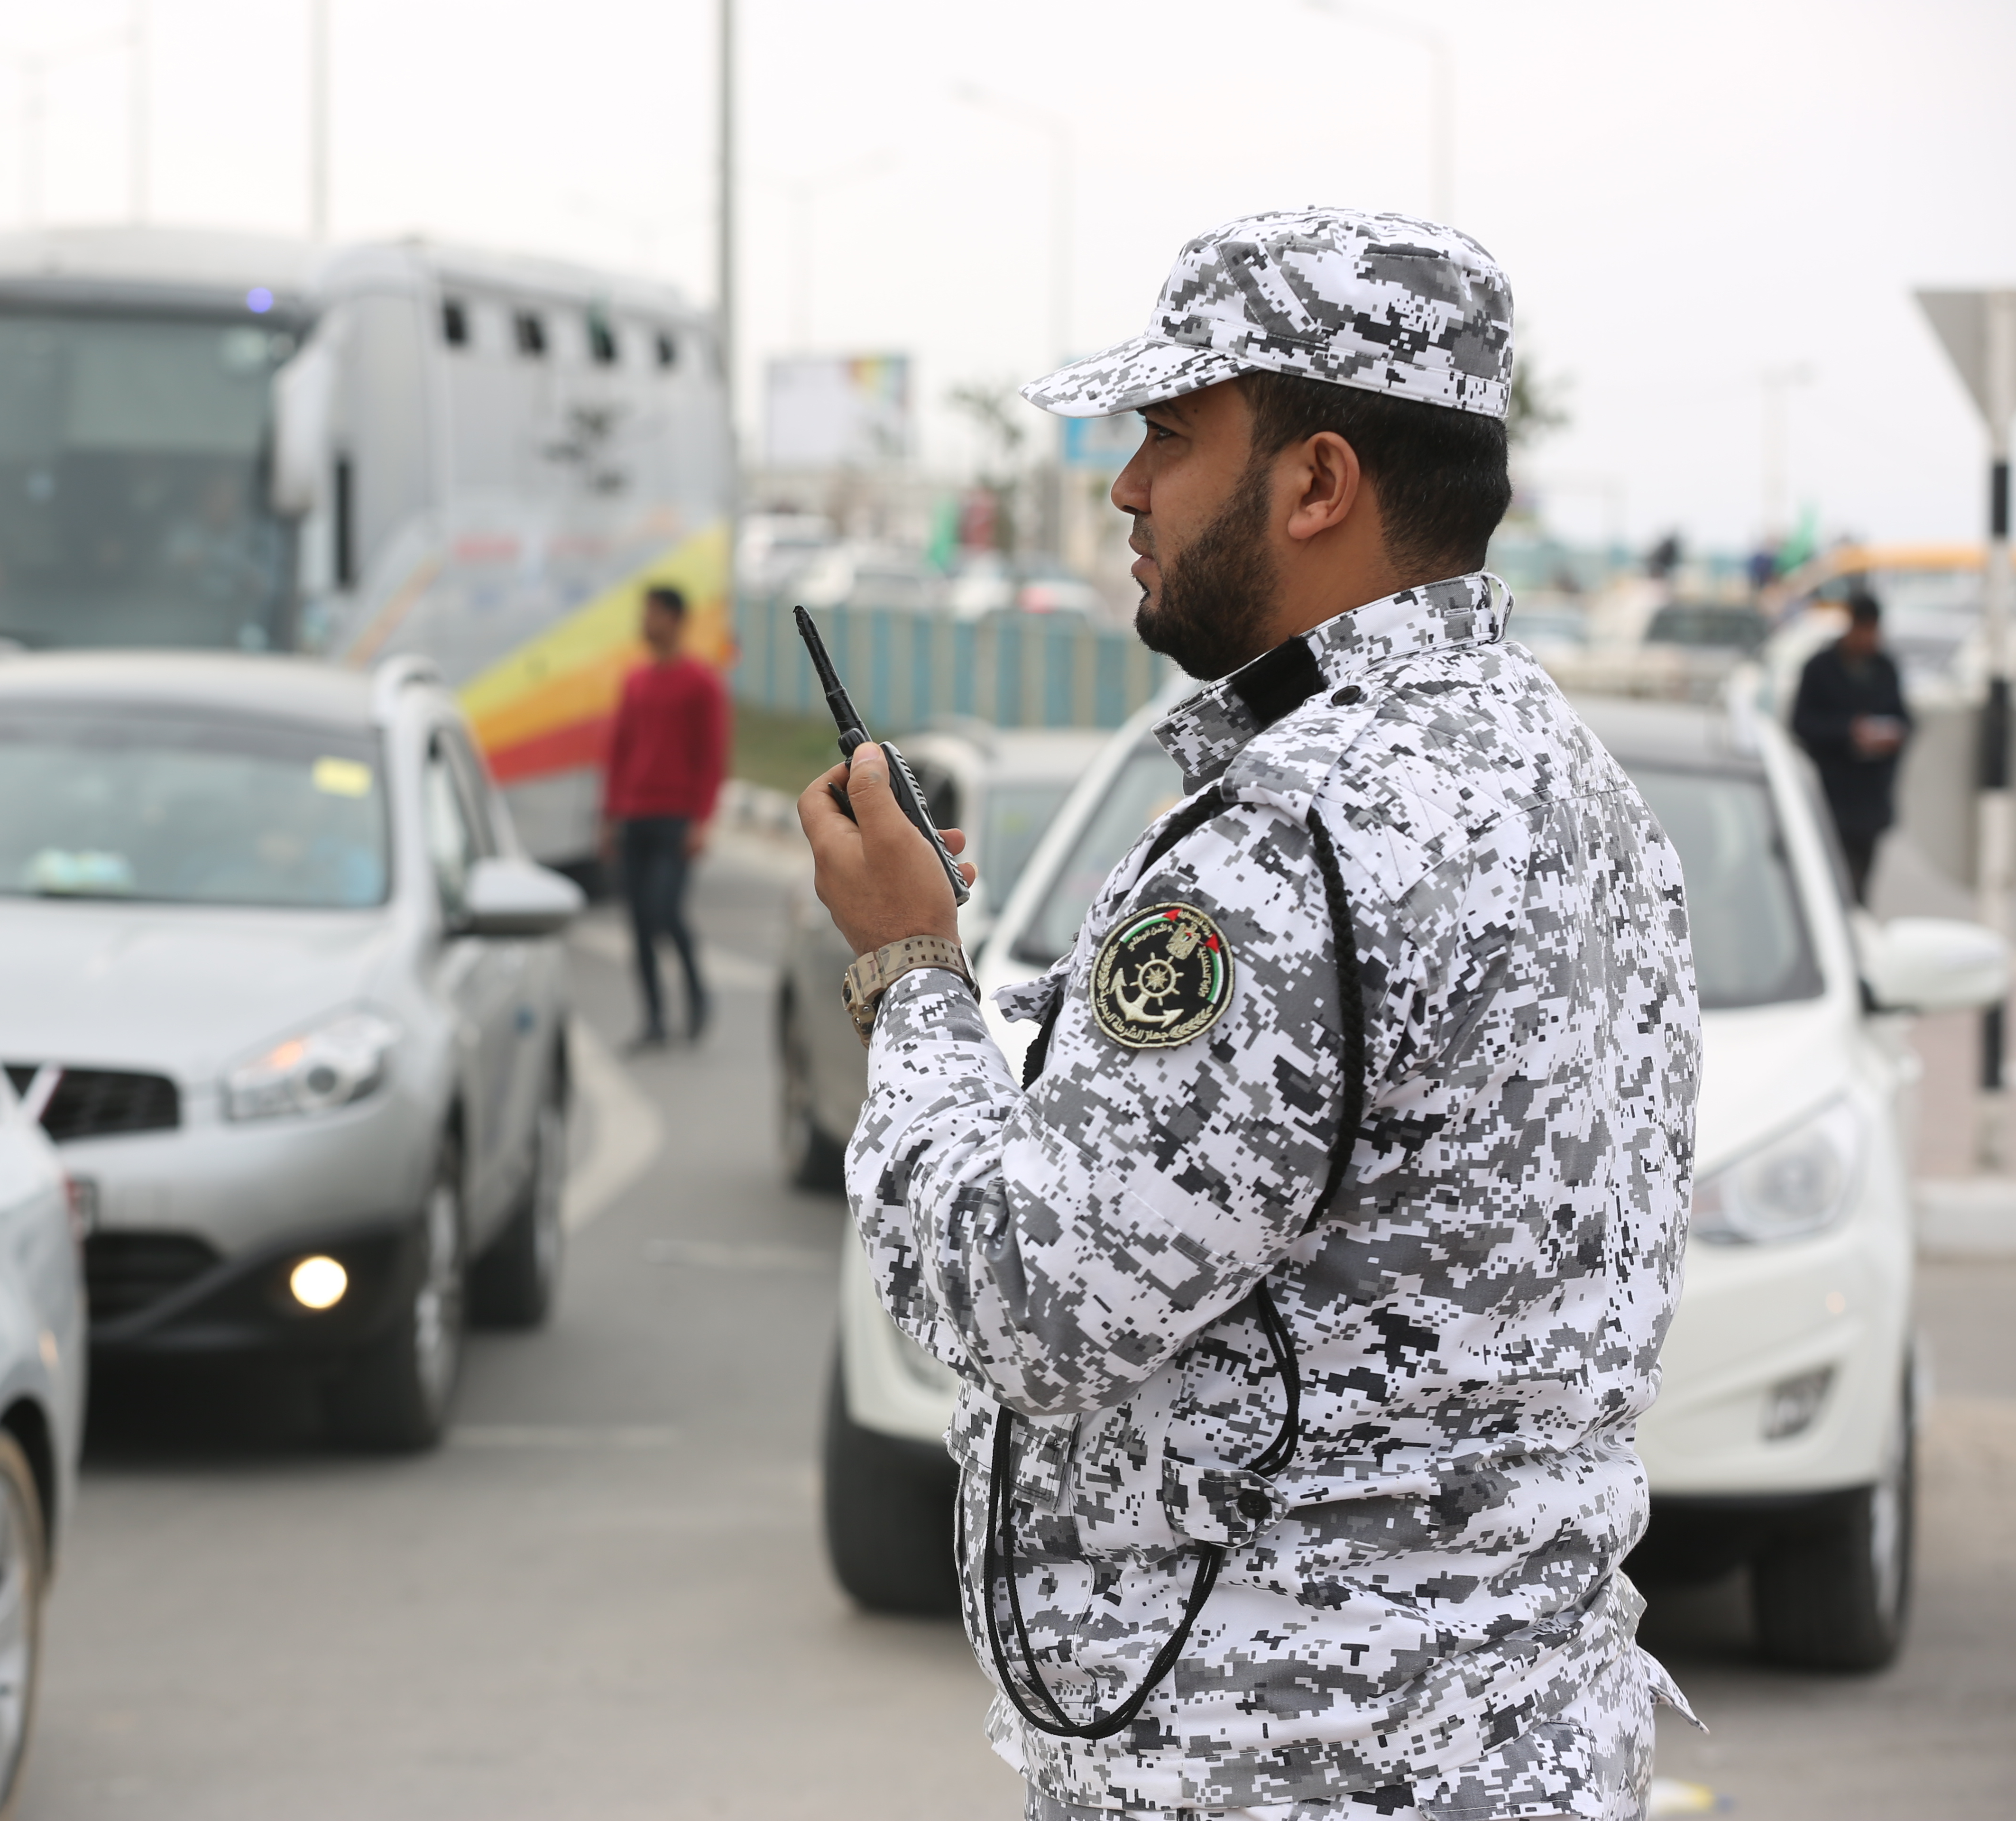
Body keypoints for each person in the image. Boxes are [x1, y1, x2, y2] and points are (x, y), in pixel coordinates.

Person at [800, 209, 1700, 1821]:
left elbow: (1029, 1302)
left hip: (1288, 1772)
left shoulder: (1293, 836)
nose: (1128, 487)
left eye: (1170, 432)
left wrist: (910, 978)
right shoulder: (1568, 785)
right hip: (1504, 1753)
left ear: (1316, 483)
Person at [600, 582, 727, 1048]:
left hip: (676, 818)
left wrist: (702, 820)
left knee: (665, 911)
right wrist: (609, 817)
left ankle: (697, 996)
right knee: (637, 923)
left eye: (653, 613)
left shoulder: (701, 682)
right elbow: (618, 752)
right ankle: (653, 1020)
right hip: (634, 815)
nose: (645, 622)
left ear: (674, 619)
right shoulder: (635, 680)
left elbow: (713, 757)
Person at [1790, 592, 1911, 901]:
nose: (1867, 638)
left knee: (1861, 884)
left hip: (1870, 799)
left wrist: (1890, 736)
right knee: (1829, 881)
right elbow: (1801, 723)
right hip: (1830, 794)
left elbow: (1905, 719)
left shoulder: (1885, 668)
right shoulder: (1820, 668)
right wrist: (1848, 731)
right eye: (1863, 629)